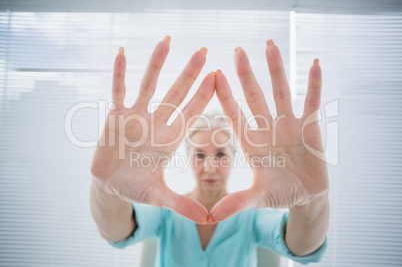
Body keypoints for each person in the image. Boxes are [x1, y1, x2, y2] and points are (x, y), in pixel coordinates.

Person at [90, 36, 329, 266]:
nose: (210, 166)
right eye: (200, 154)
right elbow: (117, 231)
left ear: (236, 156)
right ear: (188, 157)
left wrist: (310, 203)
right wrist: (104, 188)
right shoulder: (166, 212)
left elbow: (301, 248)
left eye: (221, 154)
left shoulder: (251, 216)